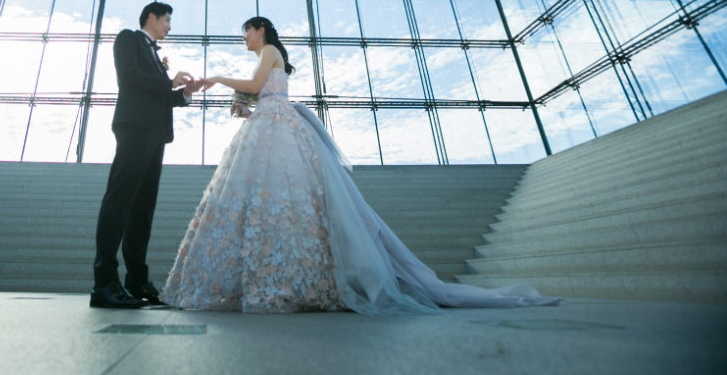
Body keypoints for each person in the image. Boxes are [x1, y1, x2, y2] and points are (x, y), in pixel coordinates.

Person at [161, 16, 560, 314]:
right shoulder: (264, 56)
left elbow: (253, 87)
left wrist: (216, 78)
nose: (244, 37)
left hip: (278, 129)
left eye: (246, 31)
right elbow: (257, 95)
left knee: (283, 194)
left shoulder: (269, 51)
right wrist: (243, 107)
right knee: (274, 196)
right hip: (269, 127)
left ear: (261, 30)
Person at [91, 2, 200, 309]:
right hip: (135, 128)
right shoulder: (128, 38)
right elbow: (129, 77)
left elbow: (160, 95)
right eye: (166, 19)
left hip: (155, 133)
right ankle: (104, 282)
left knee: (143, 210)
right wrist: (169, 82)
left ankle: (136, 281)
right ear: (151, 17)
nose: (169, 25)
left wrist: (186, 93)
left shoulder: (156, 54)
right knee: (120, 199)